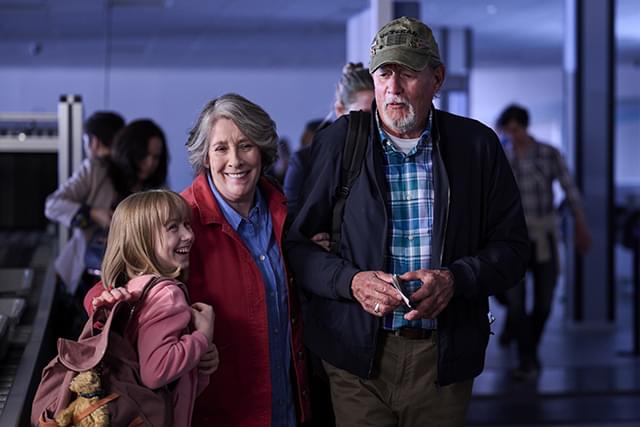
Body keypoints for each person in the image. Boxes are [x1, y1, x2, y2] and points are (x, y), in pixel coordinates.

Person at [285, 16, 530, 427]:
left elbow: (513, 250)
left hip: (442, 362)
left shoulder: (476, 146)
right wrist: (350, 282)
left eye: (408, 73)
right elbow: (298, 247)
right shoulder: (340, 142)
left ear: (437, 78)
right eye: (384, 73)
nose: (393, 88)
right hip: (356, 360)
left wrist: (456, 279)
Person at [180, 93, 309, 426]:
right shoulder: (179, 219)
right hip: (218, 415)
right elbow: (113, 294)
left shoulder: (285, 212)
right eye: (221, 148)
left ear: (263, 152)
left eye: (246, 145)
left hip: (289, 411)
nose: (235, 160)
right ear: (205, 158)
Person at [93, 189, 218, 427]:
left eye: (186, 225)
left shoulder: (133, 289)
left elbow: (179, 384)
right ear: (143, 240)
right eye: (173, 228)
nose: (189, 235)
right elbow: (157, 372)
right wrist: (202, 337)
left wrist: (200, 362)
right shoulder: (167, 294)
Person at [45, 118, 168, 337]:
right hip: (85, 277)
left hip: (129, 284)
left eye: (156, 157)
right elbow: (53, 205)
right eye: (143, 156)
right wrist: (92, 213)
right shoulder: (96, 170)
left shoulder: (157, 189)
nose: (149, 163)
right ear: (129, 152)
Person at [496, 104, 591, 379]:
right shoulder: (501, 156)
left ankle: (528, 351)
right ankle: (528, 358)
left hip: (544, 236)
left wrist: (581, 225)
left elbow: (569, 190)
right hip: (511, 240)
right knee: (514, 302)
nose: (512, 135)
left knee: (544, 303)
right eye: (507, 130)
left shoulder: (549, 154)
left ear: (525, 127)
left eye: (516, 129)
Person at [284, 62, 374, 219]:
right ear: (340, 111)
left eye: (378, 114)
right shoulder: (306, 162)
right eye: (363, 115)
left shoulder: (389, 158)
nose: (373, 123)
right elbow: (289, 221)